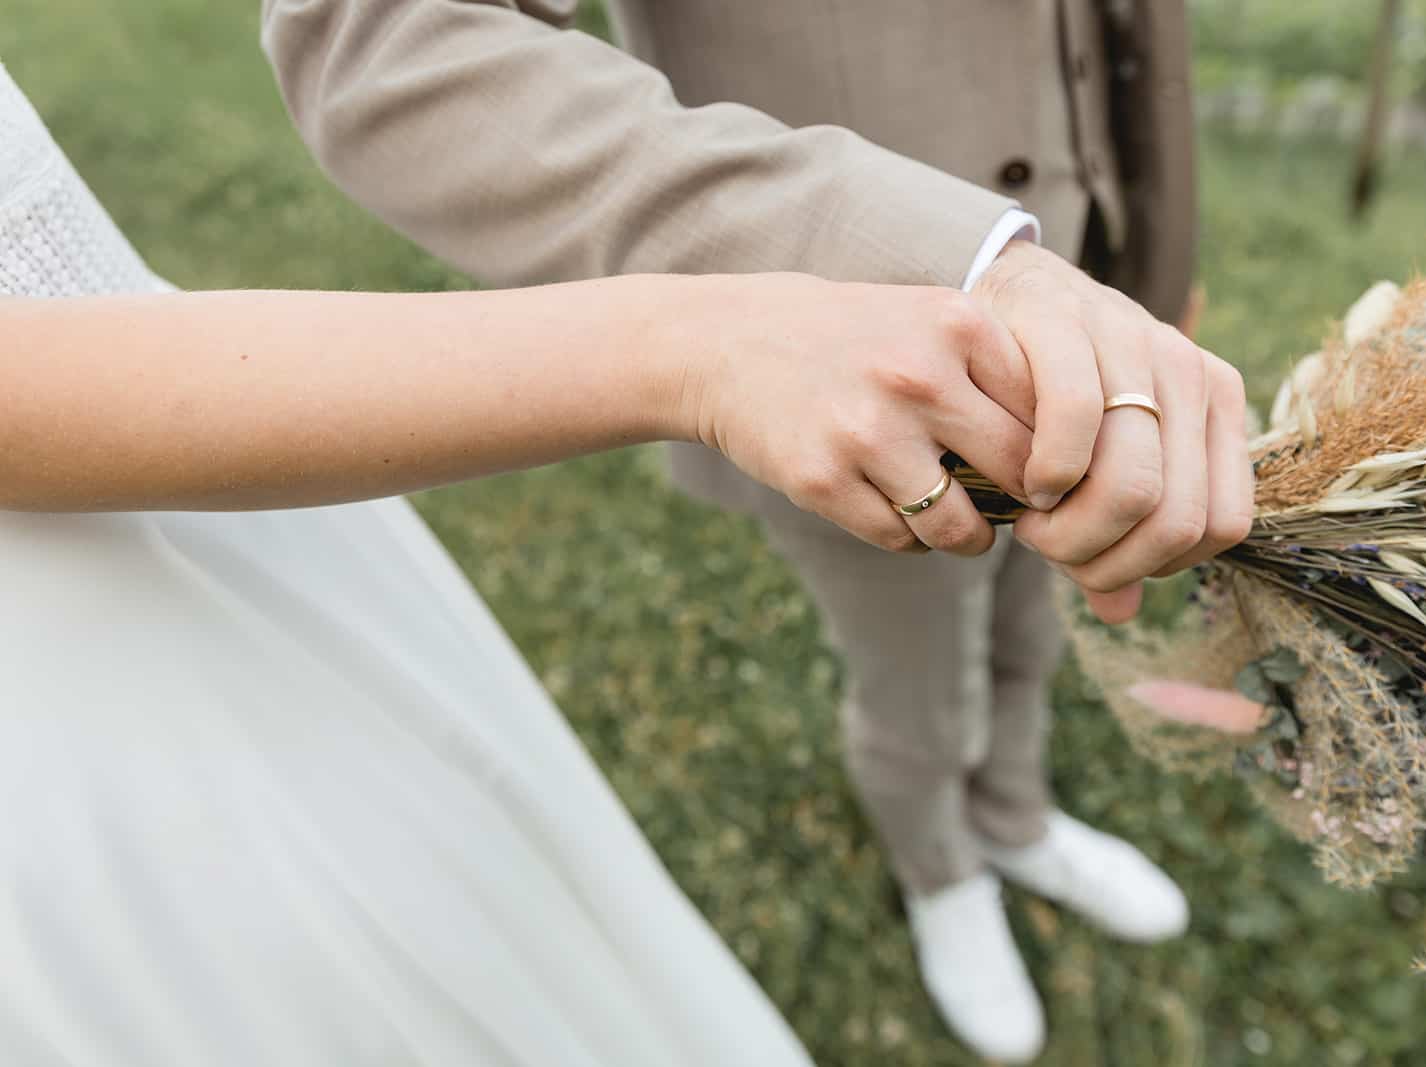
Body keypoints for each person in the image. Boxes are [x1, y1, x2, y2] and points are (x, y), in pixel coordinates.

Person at [0, 57, 1243, 1066]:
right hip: (90, 701)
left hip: (1086, 281)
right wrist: (712, 336)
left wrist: (1154, 257)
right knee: (911, 659)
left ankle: (1014, 816)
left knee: (1036, 620)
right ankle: (941, 868)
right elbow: (389, 44)